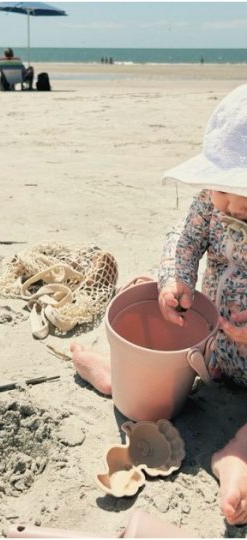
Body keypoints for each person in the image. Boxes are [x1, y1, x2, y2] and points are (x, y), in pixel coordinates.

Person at [70, 83, 247, 526]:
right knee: (158, 344)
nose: (222, 201)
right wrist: (174, 280)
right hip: (209, 352)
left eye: (236, 192)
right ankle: (120, 377)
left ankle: (235, 457)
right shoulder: (210, 203)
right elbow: (185, 241)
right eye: (217, 186)